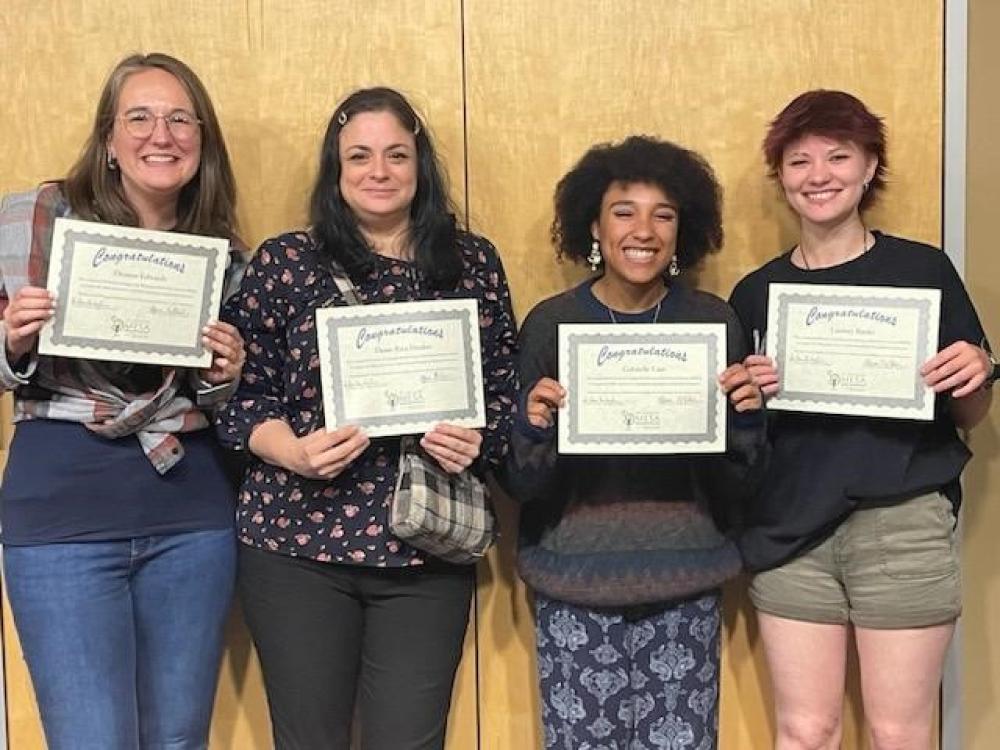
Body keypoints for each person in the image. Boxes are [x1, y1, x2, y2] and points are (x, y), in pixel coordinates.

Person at [217, 86, 517, 750]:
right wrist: (291, 450)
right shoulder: (286, 262)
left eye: (396, 155)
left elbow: (504, 392)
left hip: (426, 550)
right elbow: (240, 397)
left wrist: (476, 439)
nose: (378, 172)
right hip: (294, 549)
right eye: (359, 156)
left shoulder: (471, 264)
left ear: (421, 165)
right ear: (336, 169)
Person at [728, 89, 995, 750]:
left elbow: (971, 413)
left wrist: (977, 370)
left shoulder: (923, 271)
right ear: (781, 177)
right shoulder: (755, 293)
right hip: (790, 532)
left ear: (870, 166)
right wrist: (745, 395)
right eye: (798, 162)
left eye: (838, 156)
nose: (818, 176)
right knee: (805, 730)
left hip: (902, 524)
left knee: (899, 732)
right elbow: (743, 435)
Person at [0, 53, 246, 749]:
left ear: (202, 140)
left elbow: (226, 405)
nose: (159, 134)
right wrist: (13, 341)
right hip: (60, 524)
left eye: (178, 119)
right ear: (108, 139)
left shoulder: (226, 256)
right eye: (138, 117)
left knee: (178, 741)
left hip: (190, 520)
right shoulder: (31, 221)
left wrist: (228, 373)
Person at [502, 135, 766, 750]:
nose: (643, 229)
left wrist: (748, 423)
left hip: (685, 578)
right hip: (574, 584)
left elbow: (742, 483)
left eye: (663, 215)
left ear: (682, 232)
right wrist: (533, 425)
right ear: (593, 225)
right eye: (624, 211)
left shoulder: (712, 322)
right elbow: (521, 483)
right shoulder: (551, 323)